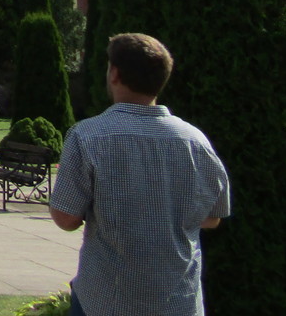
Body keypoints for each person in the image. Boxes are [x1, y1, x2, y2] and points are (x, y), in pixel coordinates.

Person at [49, 33, 230, 316]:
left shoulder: (88, 136)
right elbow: (212, 217)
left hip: (106, 299)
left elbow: (66, 217)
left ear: (115, 74)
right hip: (178, 301)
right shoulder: (196, 141)